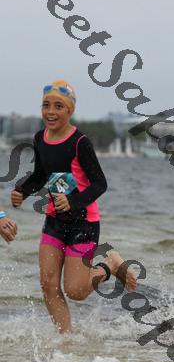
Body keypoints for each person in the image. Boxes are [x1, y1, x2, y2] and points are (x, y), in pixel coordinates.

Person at [10, 80, 137, 333]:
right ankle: (65, 338)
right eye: (46, 105)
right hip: (54, 220)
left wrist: (73, 201)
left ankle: (110, 264)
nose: (51, 112)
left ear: (70, 110)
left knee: (76, 291)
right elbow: (41, 175)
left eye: (58, 106)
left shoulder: (80, 143)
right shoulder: (40, 138)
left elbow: (100, 184)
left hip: (84, 223)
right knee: (48, 285)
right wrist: (22, 190)